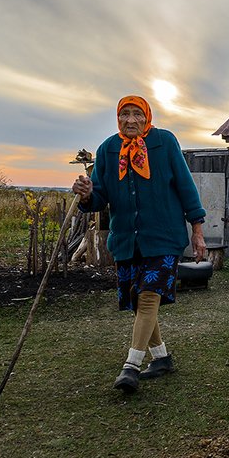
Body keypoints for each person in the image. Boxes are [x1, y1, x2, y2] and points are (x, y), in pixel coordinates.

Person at [71, 95, 207, 392]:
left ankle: (130, 366)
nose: (131, 120)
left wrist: (197, 230)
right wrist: (86, 193)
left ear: (147, 117)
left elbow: (185, 186)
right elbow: (99, 197)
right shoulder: (108, 150)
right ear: (117, 118)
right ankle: (161, 358)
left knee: (147, 297)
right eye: (125, 114)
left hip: (164, 236)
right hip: (126, 239)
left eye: (137, 114)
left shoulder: (164, 142)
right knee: (138, 299)